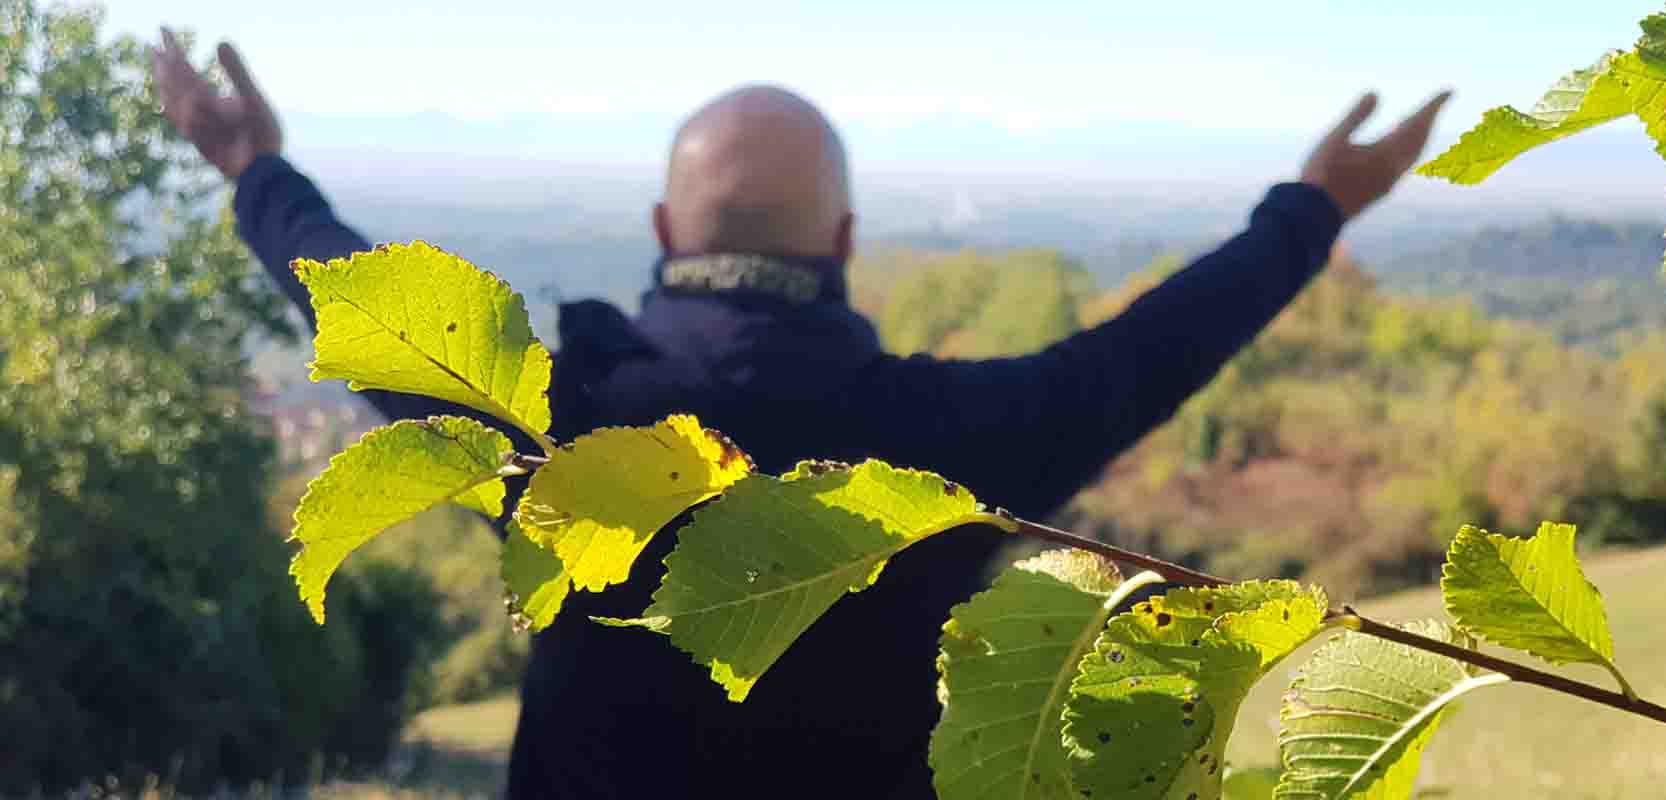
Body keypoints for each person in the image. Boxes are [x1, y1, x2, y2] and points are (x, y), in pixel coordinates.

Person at [150, 31, 1449, 799]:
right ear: (844, 238)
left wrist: (251, 166)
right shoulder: (957, 441)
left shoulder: (552, 415)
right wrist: (1312, 208)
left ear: (666, 234)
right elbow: (1145, 354)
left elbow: (349, 290)